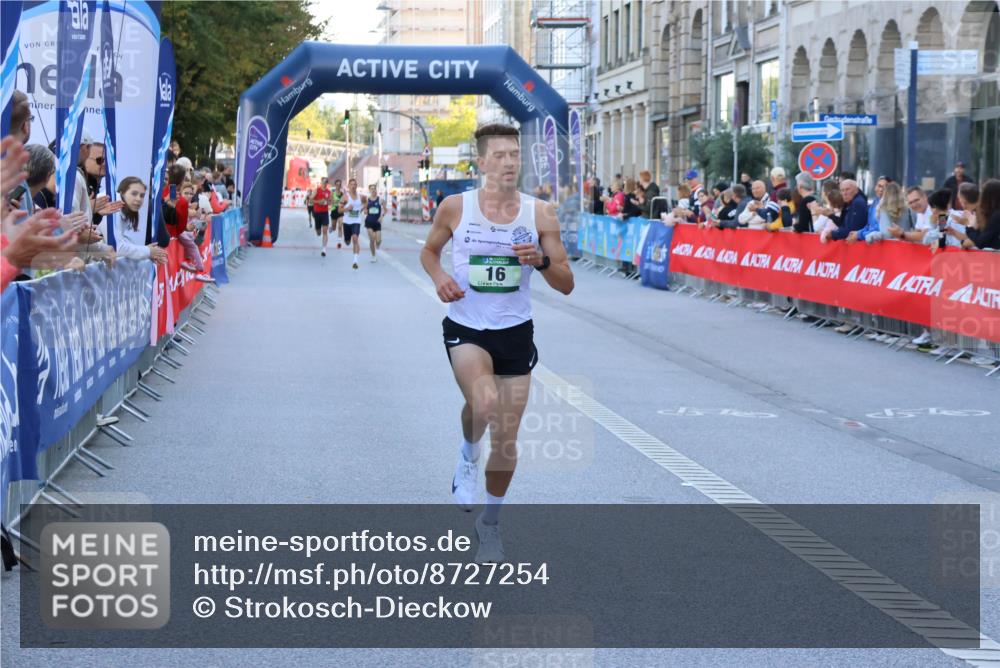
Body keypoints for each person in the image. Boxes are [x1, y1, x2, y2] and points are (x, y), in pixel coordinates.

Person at [419, 123, 573, 563]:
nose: (508, 162)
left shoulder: (540, 213)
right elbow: (429, 253)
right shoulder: (455, 207)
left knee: (506, 439)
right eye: (499, 155)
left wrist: (541, 262)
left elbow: (566, 283)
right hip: (466, 326)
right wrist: (440, 277)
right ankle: (468, 455)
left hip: (515, 331)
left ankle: (490, 523)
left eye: (514, 155)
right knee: (483, 404)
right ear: (482, 162)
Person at [115, 177, 168, 265]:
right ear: (122, 193)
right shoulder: (113, 207)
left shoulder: (124, 209)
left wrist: (147, 253)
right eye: (134, 194)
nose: (139, 199)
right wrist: (147, 251)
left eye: (142, 196)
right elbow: (118, 247)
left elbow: (122, 241)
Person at [948, 180, 1000, 250]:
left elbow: (980, 241)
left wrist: (968, 225)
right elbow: (977, 237)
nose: (959, 200)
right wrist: (954, 233)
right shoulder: (982, 213)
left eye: (959, 197)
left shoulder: (989, 214)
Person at [339, 177, 364, 269]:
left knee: (355, 239)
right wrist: (347, 209)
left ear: (356, 186)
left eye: (355, 184)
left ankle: (355, 261)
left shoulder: (360, 197)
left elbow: (366, 202)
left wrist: (363, 209)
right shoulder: (345, 197)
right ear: (348, 186)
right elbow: (339, 210)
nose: (353, 186)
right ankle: (346, 239)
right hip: (347, 222)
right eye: (351, 184)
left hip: (356, 221)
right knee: (348, 242)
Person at [363, 183, 384, 262]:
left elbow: (385, 210)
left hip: (377, 222)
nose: (373, 190)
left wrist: (381, 217)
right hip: (369, 222)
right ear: (369, 190)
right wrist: (365, 211)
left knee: (378, 241)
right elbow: (365, 209)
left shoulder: (380, 200)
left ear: (376, 190)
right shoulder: (367, 200)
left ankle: (378, 245)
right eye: (371, 189)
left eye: (374, 188)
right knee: (372, 239)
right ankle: (373, 256)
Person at [312, 177, 331, 256]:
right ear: (321, 182)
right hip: (317, 213)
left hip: (325, 213)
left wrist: (328, 202)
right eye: (323, 182)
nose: (325, 183)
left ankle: (324, 249)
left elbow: (330, 201)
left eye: (326, 182)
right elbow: (310, 200)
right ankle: (317, 228)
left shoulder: (329, 192)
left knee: (325, 231)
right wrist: (318, 201)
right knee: (319, 233)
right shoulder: (317, 190)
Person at [330, 178, 344, 249]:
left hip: (340, 211)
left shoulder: (342, 193)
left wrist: (342, 203)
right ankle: (331, 228)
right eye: (337, 185)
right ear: (335, 185)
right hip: (334, 210)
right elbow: (332, 202)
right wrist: (339, 202)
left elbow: (344, 202)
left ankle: (339, 242)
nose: (338, 186)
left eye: (339, 185)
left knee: (340, 226)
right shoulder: (332, 193)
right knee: (334, 227)